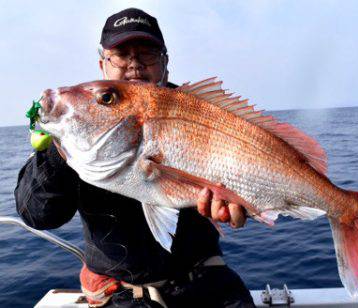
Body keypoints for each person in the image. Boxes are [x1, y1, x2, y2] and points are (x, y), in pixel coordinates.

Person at [15, 8, 255, 308]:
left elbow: (249, 171)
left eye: (148, 53)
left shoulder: (203, 113)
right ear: (103, 64)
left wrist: (246, 205)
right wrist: (58, 149)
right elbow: (37, 215)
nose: (134, 65)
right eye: (121, 54)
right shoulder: (77, 127)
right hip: (121, 296)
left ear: (165, 64)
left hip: (207, 281)